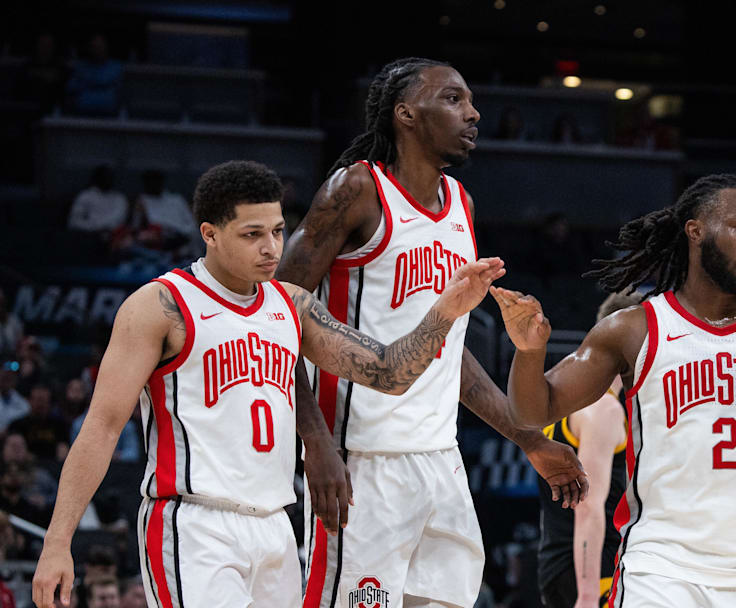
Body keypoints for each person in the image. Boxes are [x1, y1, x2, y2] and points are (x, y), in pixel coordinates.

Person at [32, 160, 505, 608]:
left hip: (277, 526)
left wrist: (446, 311)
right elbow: (102, 426)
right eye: (252, 235)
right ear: (210, 235)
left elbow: (388, 372)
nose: (271, 249)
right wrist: (57, 541)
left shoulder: (292, 304)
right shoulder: (160, 305)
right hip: (195, 523)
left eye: (278, 231)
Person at [491, 174, 736, 606]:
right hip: (662, 570)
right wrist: (530, 351)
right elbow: (534, 411)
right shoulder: (635, 329)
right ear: (695, 231)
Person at [276, 57, 587, 608]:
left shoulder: (461, 205)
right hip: (360, 457)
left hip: (440, 457)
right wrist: (314, 441)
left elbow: (449, 351)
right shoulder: (356, 190)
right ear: (406, 115)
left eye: (469, 101)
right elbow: (275, 318)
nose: (473, 113)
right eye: (452, 99)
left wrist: (526, 437)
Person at [537, 291, 641, 608]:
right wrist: (586, 596)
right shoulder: (604, 410)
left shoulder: (565, 395)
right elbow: (588, 507)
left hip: (557, 562)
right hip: (595, 573)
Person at [68, 166, 129, 235]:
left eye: (109, 177)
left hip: (112, 237)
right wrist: (92, 227)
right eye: (104, 177)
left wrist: (100, 226)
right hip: (87, 235)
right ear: (97, 178)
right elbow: (74, 221)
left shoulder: (119, 199)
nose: (107, 180)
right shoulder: (85, 196)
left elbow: (118, 221)